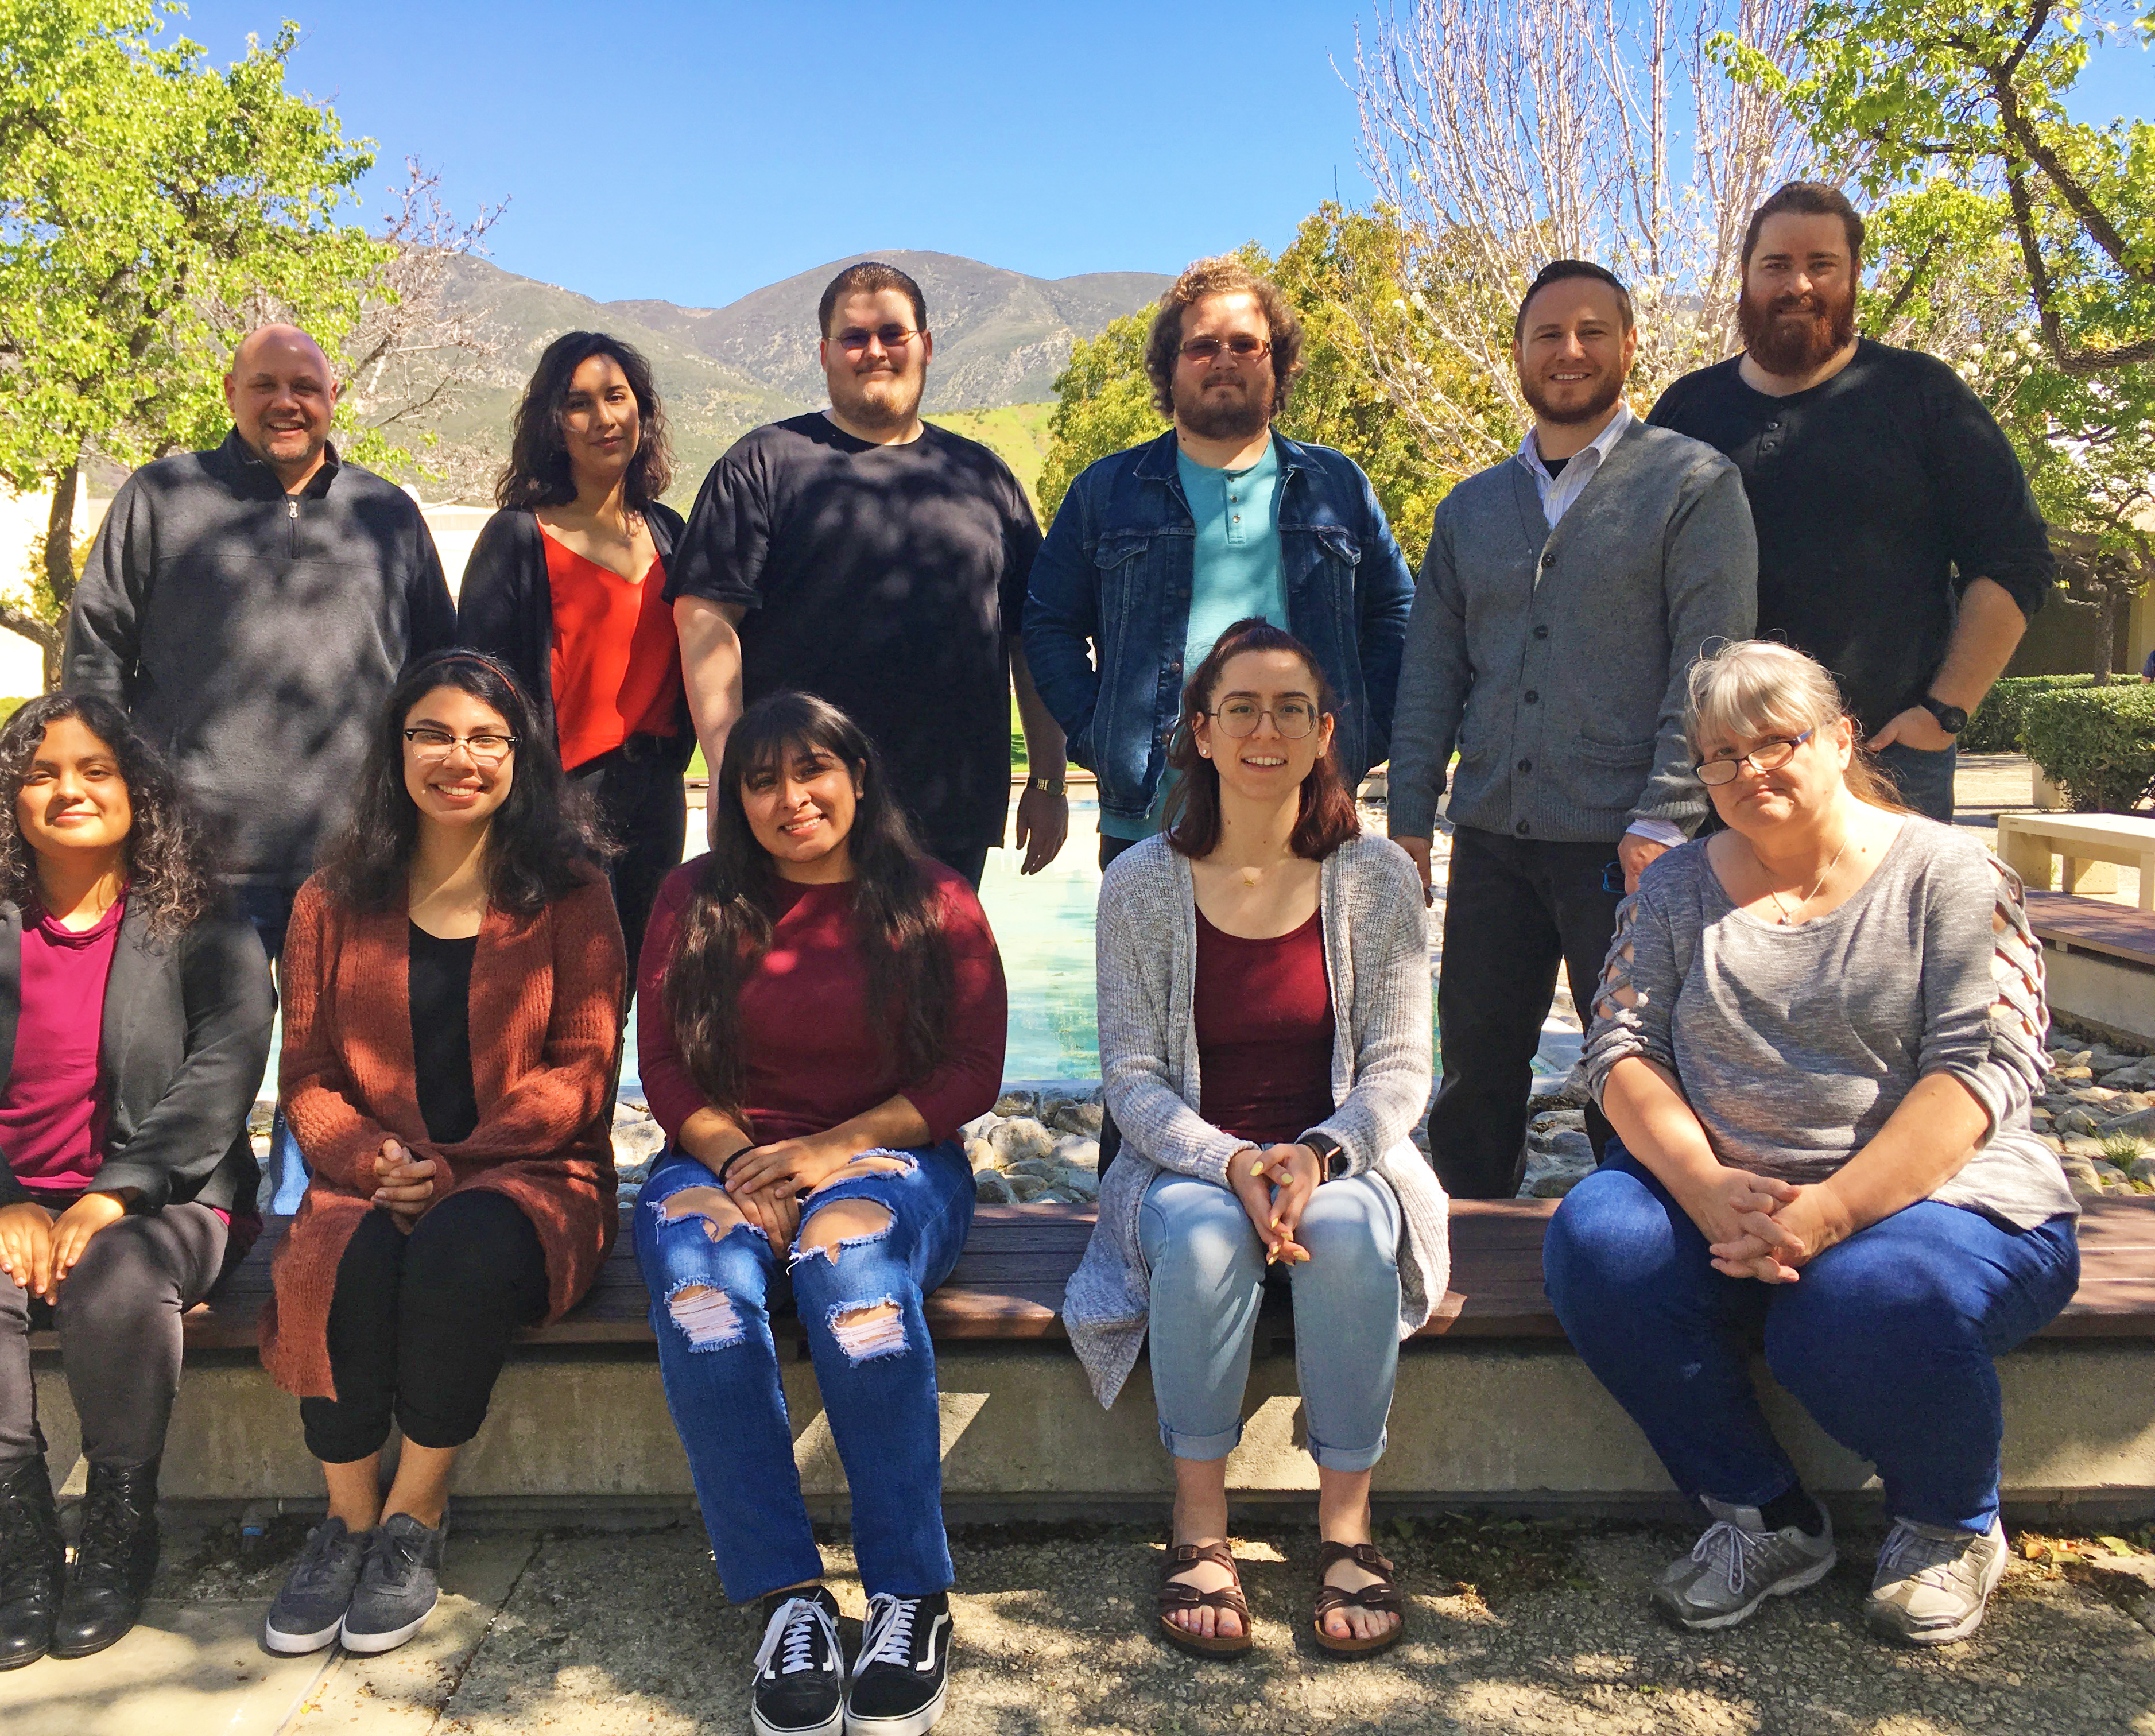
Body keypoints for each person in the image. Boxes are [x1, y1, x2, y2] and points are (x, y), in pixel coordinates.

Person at [1544, 640, 2079, 1645]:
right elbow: (1617, 1046)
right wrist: (1701, 1183)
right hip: (1727, 1197)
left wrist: (1831, 1211)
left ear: (1839, 738)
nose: (1748, 771)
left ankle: (1949, 1519)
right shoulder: (1672, 889)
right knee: (1597, 1237)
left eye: (1774, 741)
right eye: (1718, 754)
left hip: (1938, 1205)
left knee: (1855, 1300)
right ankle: (1763, 1515)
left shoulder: (1951, 874)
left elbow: (1984, 1068)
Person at [0, 695, 273, 1670]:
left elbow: (225, 1066)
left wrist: (112, 1191)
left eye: (94, 768)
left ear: (137, 790)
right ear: (11, 796)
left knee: (121, 1274)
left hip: (159, 1197)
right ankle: (26, 1544)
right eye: (41, 772)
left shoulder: (202, 923)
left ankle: (123, 1527)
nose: (68, 788)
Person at [1064, 620, 1451, 1660]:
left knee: (1353, 1237)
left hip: (1344, 1154)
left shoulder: (1375, 878)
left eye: (1290, 708)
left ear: (1325, 733)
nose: (1264, 728)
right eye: (1240, 706)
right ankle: (1199, 1526)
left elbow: (1402, 1067)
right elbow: (1133, 1082)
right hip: (1186, 1161)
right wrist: (1232, 1159)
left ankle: (1346, 1531)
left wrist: (1316, 1154)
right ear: (1201, 729)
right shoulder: (1140, 882)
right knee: (1198, 1239)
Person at [631, 691, 1005, 1736]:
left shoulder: (929, 896)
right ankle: (787, 1597)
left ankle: (908, 1595)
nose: (792, 798)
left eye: (813, 771)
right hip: (725, 1156)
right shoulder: (692, 898)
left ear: (857, 773)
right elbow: (662, 1064)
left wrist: (824, 1154)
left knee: (854, 1282)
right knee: (703, 1290)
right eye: (762, 780)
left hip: (889, 1157)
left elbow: (972, 1069)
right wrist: (748, 1158)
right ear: (734, 800)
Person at [258, 652, 621, 1658]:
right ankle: (348, 1521)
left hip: (535, 1173)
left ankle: (416, 1513)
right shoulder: (330, 899)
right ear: (396, 748)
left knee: (458, 1247)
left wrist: (455, 1164)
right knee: (341, 1254)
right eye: (432, 733)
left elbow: (586, 1066)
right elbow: (308, 1075)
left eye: (484, 738)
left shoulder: (571, 891)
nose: (458, 757)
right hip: (368, 1171)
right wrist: (376, 1159)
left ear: (519, 755)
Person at [65, 323, 459, 1210]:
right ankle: (193, 1221)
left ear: (331, 399)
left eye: (308, 387)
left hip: (355, 857)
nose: (288, 403)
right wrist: (104, 792)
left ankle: (304, 1225)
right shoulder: (162, 499)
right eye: (267, 385)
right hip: (196, 854)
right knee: (188, 1056)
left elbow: (438, 672)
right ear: (232, 395)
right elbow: (96, 656)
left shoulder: (386, 513)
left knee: (344, 1067)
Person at [1390, 261, 1757, 1198]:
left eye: (1593, 330)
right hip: (1492, 840)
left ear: (1630, 346)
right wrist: (1408, 819)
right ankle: (1464, 1241)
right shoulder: (1470, 507)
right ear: (1516, 353)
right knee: (1474, 1063)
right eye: (1548, 333)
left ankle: (1635, 1244)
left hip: (1627, 843)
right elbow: (1432, 669)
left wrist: (1666, 813)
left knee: (1630, 1067)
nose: (1569, 350)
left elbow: (1709, 661)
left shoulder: (1691, 484)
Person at [1649, 183, 2053, 822]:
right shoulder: (1685, 410)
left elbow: (2015, 560)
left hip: (1887, 761)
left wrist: (1945, 712)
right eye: (1776, 265)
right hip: (1717, 765)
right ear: (1746, 275)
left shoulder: (1923, 396)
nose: (1798, 284)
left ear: (1854, 276)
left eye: (1822, 265)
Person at [667, 259, 1068, 890]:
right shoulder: (764, 464)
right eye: (854, 338)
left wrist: (1048, 779)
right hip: (802, 815)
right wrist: (726, 771)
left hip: (950, 813)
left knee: (936, 989)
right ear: (825, 354)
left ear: (926, 347)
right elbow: (706, 620)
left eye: (893, 334)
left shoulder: (984, 480)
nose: (874, 351)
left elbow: (1032, 636)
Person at [1024, 257, 1417, 870]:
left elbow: (1396, 616)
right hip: (1150, 819)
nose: (1224, 361)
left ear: (1277, 360)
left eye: (1245, 345)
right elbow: (1048, 625)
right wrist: (1098, 735)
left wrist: (1363, 735)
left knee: (1317, 971)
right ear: (1170, 364)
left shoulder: (1337, 485)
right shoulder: (1106, 491)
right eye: (1202, 346)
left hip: (1312, 810)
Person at [458, 331, 691, 1004]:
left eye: (616, 397)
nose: (603, 419)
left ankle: (608, 1111)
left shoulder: (671, 532)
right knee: (565, 997)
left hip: (655, 796)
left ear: (641, 411)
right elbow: (476, 684)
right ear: (554, 425)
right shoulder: (517, 538)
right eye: (579, 404)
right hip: (559, 801)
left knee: (637, 992)